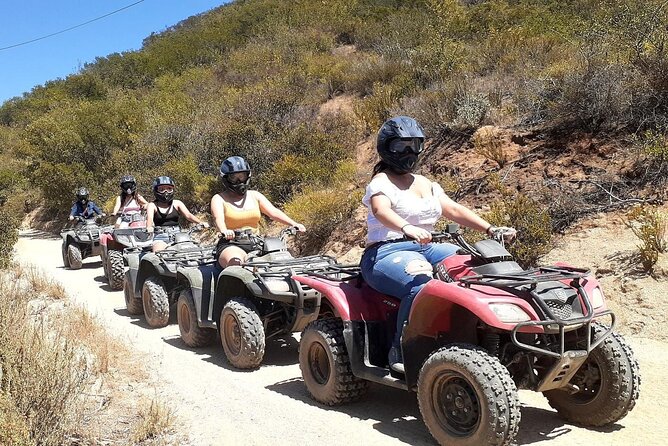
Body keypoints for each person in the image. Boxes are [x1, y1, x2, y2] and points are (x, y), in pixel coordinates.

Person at [360, 116, 516, 373]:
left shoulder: (426, 184)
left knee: (474, 269)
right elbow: (380, 210)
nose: (409, 152)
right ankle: (401, 349)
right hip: (387, 251)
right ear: (387, 148)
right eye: (401, 146)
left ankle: (485, 336)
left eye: (415, 145)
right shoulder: (381, 182)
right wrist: (407, 228)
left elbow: (453, 209)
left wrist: (490, 228)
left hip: (429, 247)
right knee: (420, 283)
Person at [211, 156, 306, 268]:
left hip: (257, 243)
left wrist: (293, 224)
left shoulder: (255, 195)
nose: (239, 181)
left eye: (242, 176)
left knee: (282, 261)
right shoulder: (218, 199)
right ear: (226, 179)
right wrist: (225, 231)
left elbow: (273, 212)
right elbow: (218, 219)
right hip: (231, 244)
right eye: (234, 177)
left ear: (248, 176)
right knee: (236, 264)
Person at [146, 176, 209, 252]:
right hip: (160, 237)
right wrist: (149, 227)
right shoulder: (152, 205)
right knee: (158, 254)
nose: (166, 192)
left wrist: (200, 222)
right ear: (156, 190)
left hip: (178, 235)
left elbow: (188, 215)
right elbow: (149, 218)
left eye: (169, 189)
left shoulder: (177, 203)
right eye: (162, 189)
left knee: (192, 251)